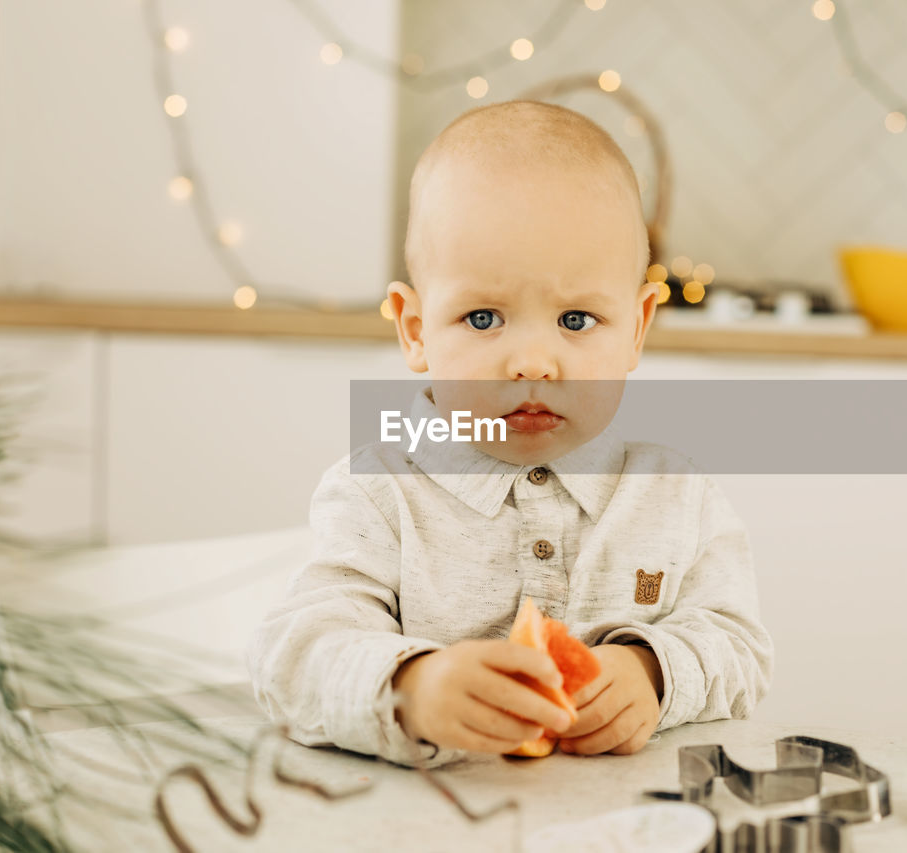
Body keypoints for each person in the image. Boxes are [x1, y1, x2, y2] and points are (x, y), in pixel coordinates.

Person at [247, 100, 773, 767]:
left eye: (577, 320)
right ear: (415, 330)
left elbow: (739, 646)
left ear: (637, 328)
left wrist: (654, 670)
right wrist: (410, 686)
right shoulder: (375, 493)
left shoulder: (675, 493)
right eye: (484, 317)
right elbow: (292, 657)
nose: (532, 360)